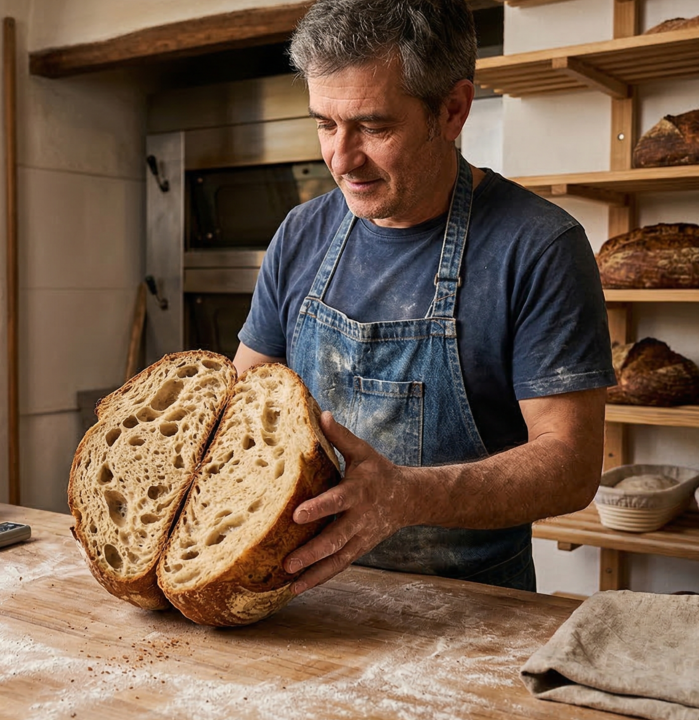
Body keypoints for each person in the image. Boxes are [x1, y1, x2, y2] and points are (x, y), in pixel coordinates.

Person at [234, 0, 615, 593]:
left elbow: (570, 465)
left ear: (453, 110)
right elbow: (243, 406)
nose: (341, 158)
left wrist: (405, 496)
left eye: (374, 127)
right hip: (307, 596)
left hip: (471, 607)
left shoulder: (538, 246)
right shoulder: (301, 233)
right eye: (325, 124)